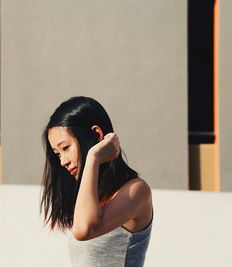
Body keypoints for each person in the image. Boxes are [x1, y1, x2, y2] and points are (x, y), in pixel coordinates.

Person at [41, 96, 153, 267]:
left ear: (96, 134)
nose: (63, 161)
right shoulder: (93, 199)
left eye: (66, 148)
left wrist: (93, 157)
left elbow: (84, 230)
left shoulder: (137, 191)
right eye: (58, 154)